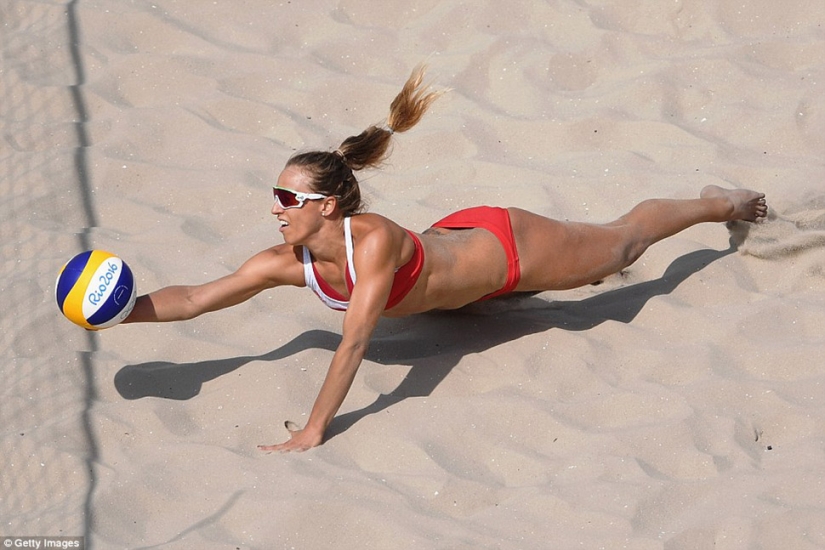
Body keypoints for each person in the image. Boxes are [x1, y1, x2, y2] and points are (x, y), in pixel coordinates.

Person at [123, 65, 768, 452]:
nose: (276, 208)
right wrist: (123, 312)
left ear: (327, 208)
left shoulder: (369, 242)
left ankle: (719, 203)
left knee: (618, 248)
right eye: (276, 195)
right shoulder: (284, 260)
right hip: (457, 272)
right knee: (490, 298)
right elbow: (196, 298)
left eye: (289, 197)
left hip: (507, 248)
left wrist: (314, 429)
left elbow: (351, 344)